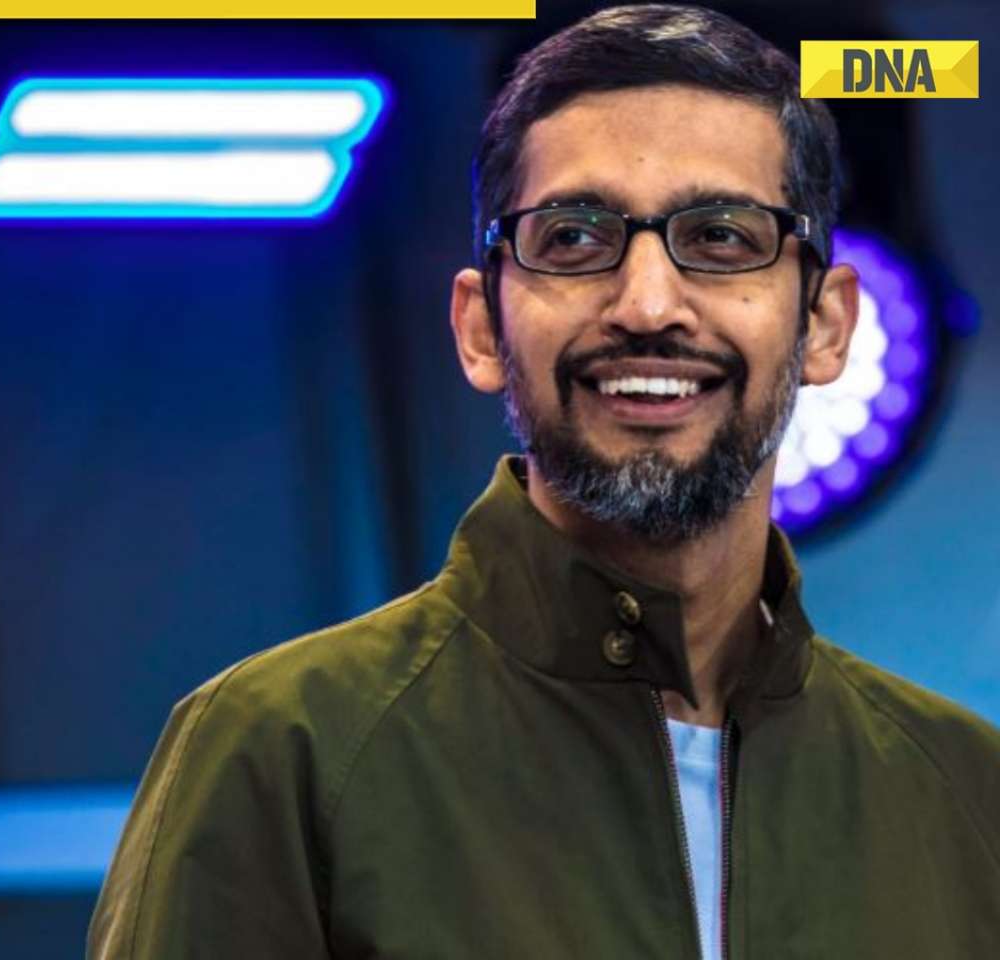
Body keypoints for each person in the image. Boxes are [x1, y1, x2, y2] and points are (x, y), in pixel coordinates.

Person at [87, 6, 1000, 958]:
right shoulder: (282, 754)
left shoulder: (966, 794)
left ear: (826, 325)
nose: (649, 304)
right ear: (481, 327)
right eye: (572, 239)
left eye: (723, 237)